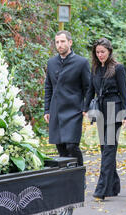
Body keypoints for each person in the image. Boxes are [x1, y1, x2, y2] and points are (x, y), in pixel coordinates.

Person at [83, 38, 126, 200]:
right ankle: (114, 185)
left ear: (109, 51)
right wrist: (85, 108)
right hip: (100, 110)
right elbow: (90, 90)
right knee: (105, 149)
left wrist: (125, 114)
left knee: (109, 150)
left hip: (114, 109)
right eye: (97, 52)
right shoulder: (95, 68)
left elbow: (123, 92)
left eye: (103, 52)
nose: (100, 55)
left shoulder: (118, 68)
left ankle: (102, 188)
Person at [44, 30, 90, 167]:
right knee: (61, 149)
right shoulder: (51, 63)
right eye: (57, 42)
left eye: (62, 41)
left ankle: (80, 175)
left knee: (71, 146)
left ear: (70, 42)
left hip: (74, 111)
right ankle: (67, 181)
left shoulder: (81, 62)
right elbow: (48, 87)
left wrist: (85, 107)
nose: (60, 45)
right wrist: (47, 109)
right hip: (56, 110)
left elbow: (88, 88)